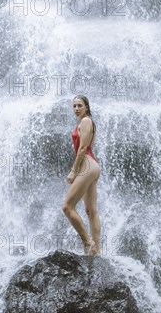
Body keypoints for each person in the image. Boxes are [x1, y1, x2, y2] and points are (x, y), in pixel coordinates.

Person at [62, 94, 101, 255]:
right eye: (74, 106)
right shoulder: (88, 122)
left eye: (79, 106)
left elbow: (83, 148)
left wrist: (73, 171)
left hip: (86, 165)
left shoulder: (85, 121)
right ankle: (97, 250)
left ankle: (87, 243)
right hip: (92, 166)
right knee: (91, 210)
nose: (76, 109)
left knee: (67, 207)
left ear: (86, 107)